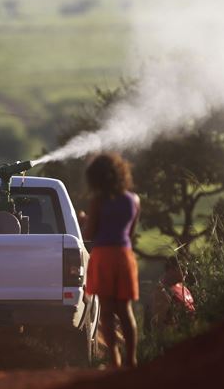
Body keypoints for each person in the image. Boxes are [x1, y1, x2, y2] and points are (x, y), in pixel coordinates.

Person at [83, 153, 140, 368]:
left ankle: (114, 359)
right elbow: (130, 233)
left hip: (103, 255)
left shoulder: (97, 201)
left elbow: (90, 233)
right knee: (126, 310)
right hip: (124, 255)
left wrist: (85, 220)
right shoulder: (134, 200)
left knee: (106, 311)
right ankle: (132, 359)